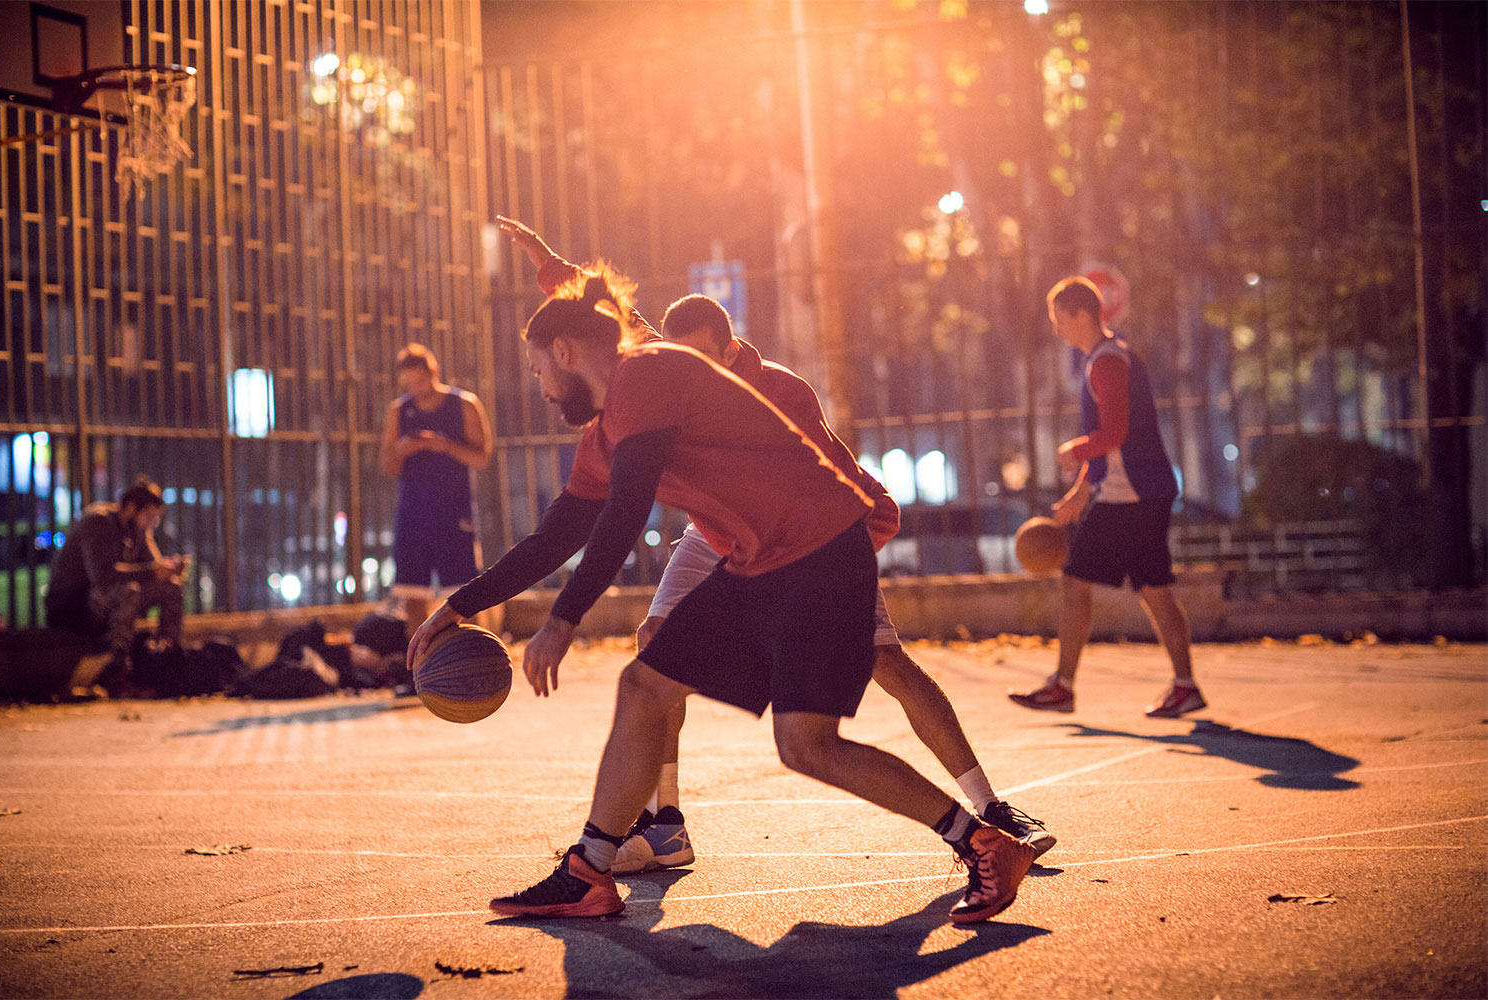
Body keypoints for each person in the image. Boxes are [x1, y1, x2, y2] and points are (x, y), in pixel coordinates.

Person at [409, 262, 1036, 924]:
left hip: (822, 549)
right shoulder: (604, 433)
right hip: (759, 561)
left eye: (538, 370)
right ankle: (590, 872)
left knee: (806, 745)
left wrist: (562, 621)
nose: (539, 390)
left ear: (563, 352)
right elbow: (556, 534)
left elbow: (625, 511)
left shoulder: (645, 376)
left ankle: (984, 843)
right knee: (645, 686)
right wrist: (458, 607)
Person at [1009, 276, 1205, 719]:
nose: (1056, 330)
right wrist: (1082, 489)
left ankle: (1062, 686)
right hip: (1141, 490)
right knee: (1155, 590)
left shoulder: (1106, 363)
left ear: (1080, 315)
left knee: (1076, 581)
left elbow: (1113, 434)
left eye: (1059, 320)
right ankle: (1185, 685)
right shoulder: (1109, 357)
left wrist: (1073, 452)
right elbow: (1116, 440)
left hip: (1129, 495)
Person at [380, 344, 493, 640]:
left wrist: (446, 446)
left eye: (420, 381)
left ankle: (475, 662)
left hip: (455, 516)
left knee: (464, 598)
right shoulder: (399, 411)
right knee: (413, 597)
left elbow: (482, 458)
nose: (415, 389)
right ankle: (418, 671)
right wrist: (403, 450)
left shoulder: (464, 404)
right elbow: (387, 466)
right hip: (412, 516)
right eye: (410, 383)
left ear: (434, 372)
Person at [44, 476, 187, 663]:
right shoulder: (99, 522)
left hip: (106, 599)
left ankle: (167, 655)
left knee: (171, 588)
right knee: (130, 591)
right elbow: (104, 577)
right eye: (149, 516)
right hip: (74, 604)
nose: (152, 523)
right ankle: (117, 665)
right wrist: (153, 571)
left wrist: (167, 569)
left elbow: (153, 567)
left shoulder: (136, 530)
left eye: (156, 519)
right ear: (131, 508)